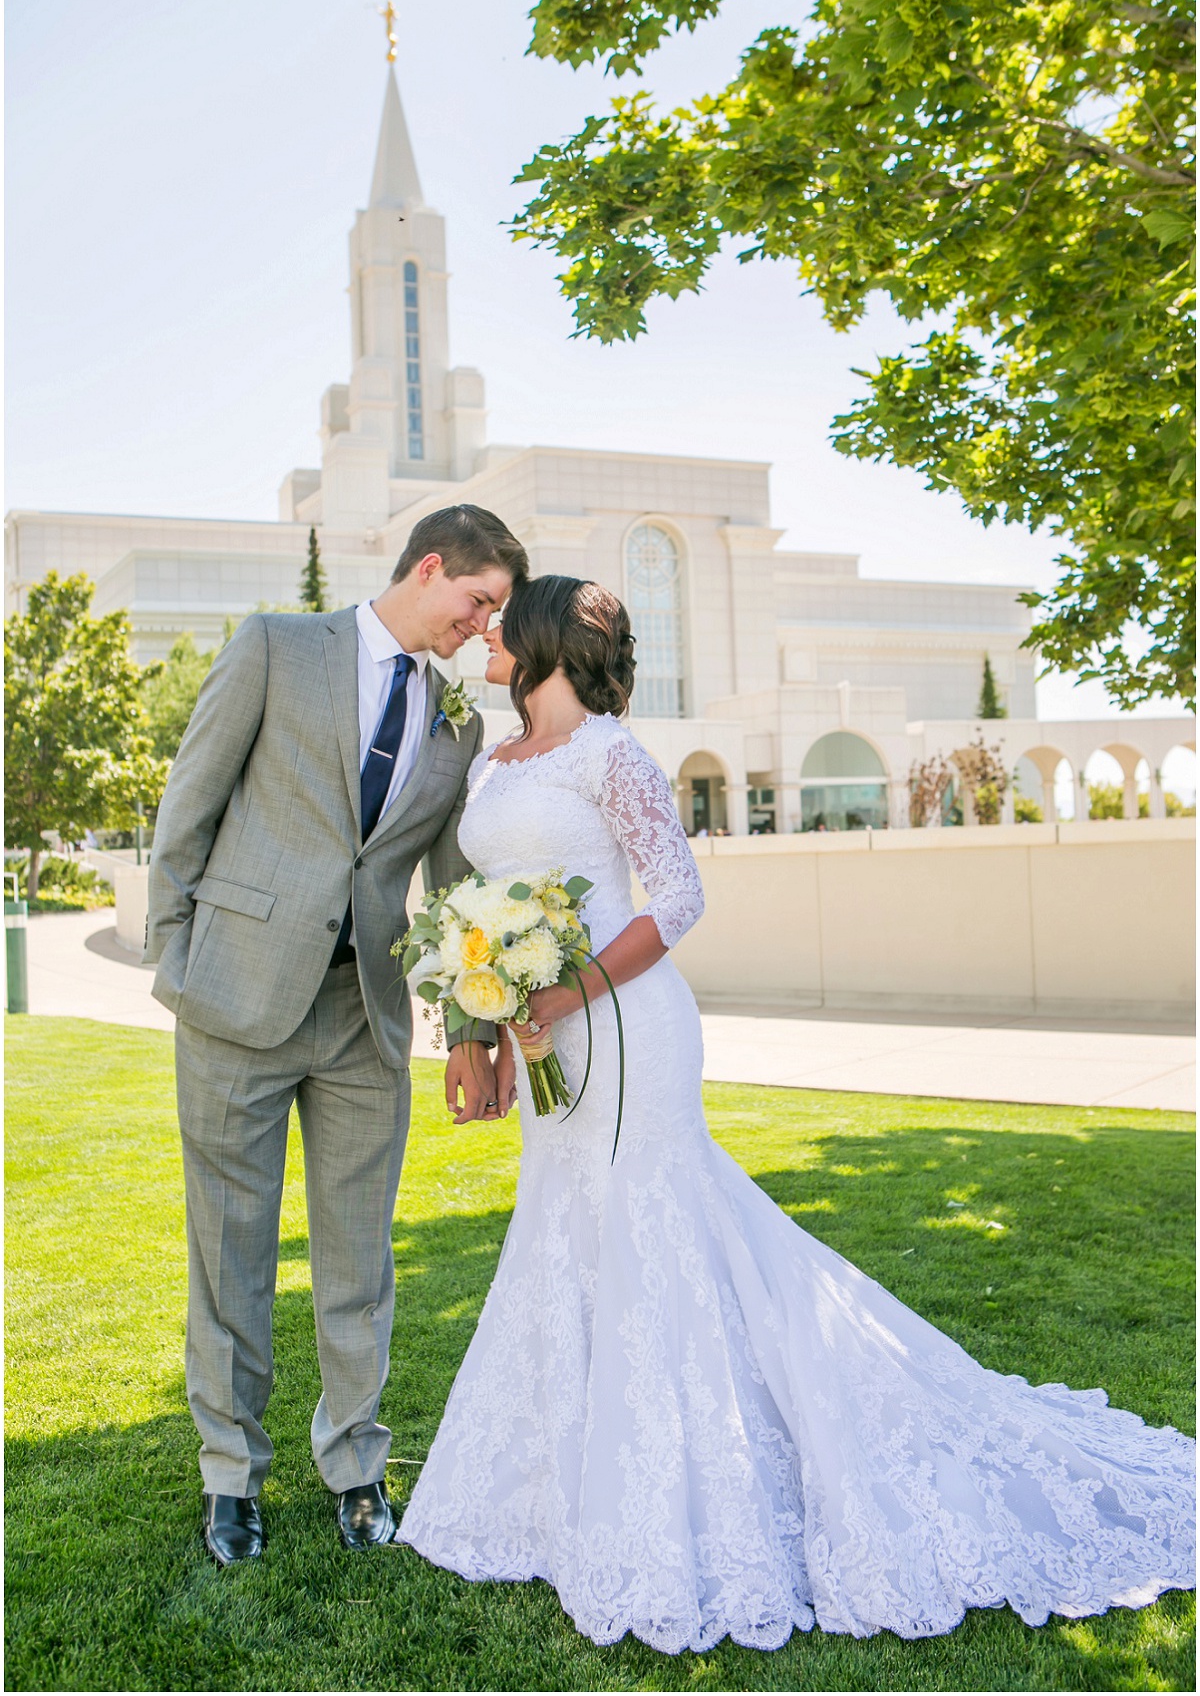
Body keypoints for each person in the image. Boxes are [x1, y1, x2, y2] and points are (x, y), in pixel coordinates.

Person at [397, 574, 1195, 1654]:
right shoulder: (494, 761)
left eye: (505, 622)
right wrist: (489, 1012)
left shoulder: (614, 753)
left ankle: (687, 1484)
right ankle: (556, 1488)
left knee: (653, 1233)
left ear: (541, 642)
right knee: (566, 1233)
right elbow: (474, 905)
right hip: (543, 1040)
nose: (487, 634)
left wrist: (562, 991)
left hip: (629, 1033)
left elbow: (675, 896)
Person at [144, 504, 527, 1566]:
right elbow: (191, 806)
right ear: (434, 565)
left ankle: (356, 1465)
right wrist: (174, 960)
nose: (484, 627)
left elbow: (451, 888)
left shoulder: (459, 723)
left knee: (359, 1256)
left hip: (366, 1016)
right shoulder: (276, 645)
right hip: (236, 1000)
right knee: (231, 1250)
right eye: (480, 600)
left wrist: (470, 1028)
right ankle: (232, 1475)